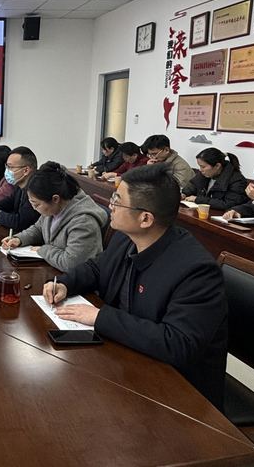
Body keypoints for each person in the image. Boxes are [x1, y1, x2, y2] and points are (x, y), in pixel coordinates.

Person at [43, 164, 227, 409]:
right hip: (124, 358)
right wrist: (65, 284)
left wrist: (100, 317)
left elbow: (177, 343)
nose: (110, 205)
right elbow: (98, 268)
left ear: (145, 218)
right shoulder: (126, 237)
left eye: (117, 201)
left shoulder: (196, 271)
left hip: (177, 392)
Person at [1, 162, 108, 273]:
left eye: (36, 204)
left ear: (55, 199)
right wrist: (19, 239)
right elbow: (38, 228)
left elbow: (71, 264)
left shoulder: (84, 222)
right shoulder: (54, 209)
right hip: (54, 271)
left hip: (75, 279)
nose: (33, 208)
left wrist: (44, 249)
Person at [0, 146, 39, 232]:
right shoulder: (20, 184)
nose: (7, 171)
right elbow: (10, 200)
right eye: (7, 166)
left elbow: (20, 222)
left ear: (26, 170)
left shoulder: (35, 189)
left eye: (11, 167)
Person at [182, 148, 247, 210]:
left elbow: (228, 204)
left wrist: (198, 199)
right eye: (199, 166)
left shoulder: (237, 181)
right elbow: (193, 185)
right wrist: (184, 194)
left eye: (203, 167)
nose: (200, 170)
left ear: (217, 166)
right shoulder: (205, 173)